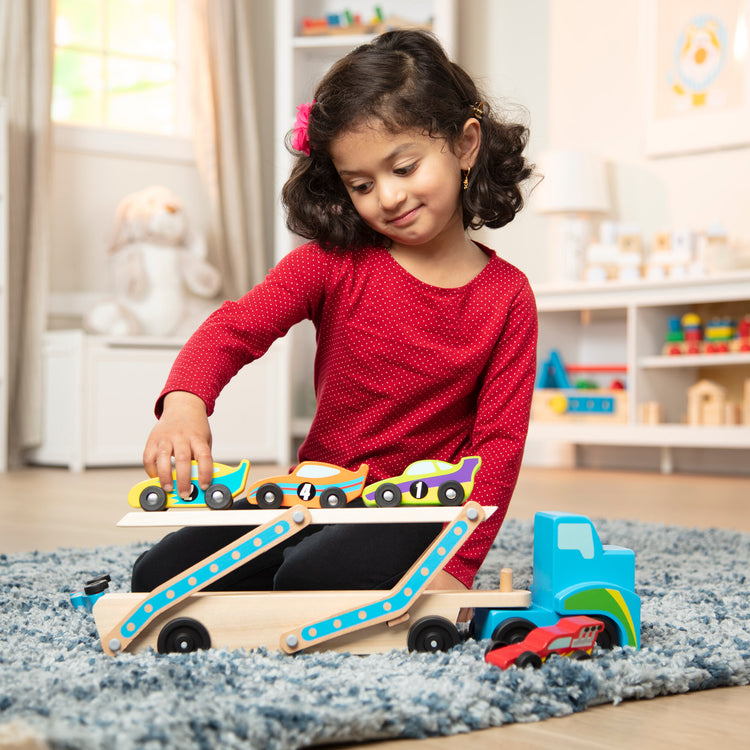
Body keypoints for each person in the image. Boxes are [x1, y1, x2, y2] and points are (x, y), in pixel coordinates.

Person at [131, 29, 537, 596]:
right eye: (362, 184)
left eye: (404, 167)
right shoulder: (329, 263)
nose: (388, 198)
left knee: (310, 577)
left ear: (466, 145)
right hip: (316, 495)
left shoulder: (508, 296)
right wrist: (183, 406)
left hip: (418, 510)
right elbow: (234, 328)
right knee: (153, 578)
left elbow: (498, 444)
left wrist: (460, 564)